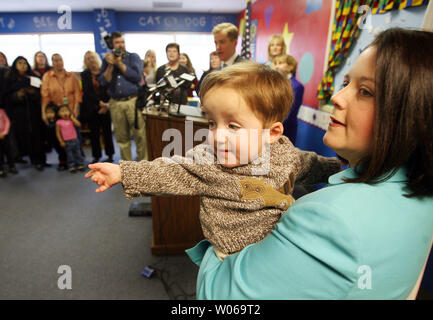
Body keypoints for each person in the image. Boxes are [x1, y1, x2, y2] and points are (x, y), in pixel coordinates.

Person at [179, 28, 432, 299]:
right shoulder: (422, 196)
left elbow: (220, 296)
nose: (337, 97)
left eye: (365, 91)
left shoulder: (327, 220)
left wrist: (217, 246)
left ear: (412, 111)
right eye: (346, 83)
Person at [85, 61, 341, 261]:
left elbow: (307, 164)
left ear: (272, 133)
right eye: (211, 123)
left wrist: (340, 168)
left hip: (277, 244)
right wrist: (123, 172)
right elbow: (171, 171)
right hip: (231, 255)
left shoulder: (284, 152)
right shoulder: (209, 161)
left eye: (232, 125)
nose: (217, 136)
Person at [99, 31, 146, 162]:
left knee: (140, 136)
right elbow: (103, 81)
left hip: (132, 101)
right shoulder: (107, 60)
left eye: (122, 42)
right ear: (112, 45)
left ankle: (144, 168)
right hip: (115, 103)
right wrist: (110, 64)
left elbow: (136, 77)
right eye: (117, 42)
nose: (120, 45)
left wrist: (119, 63)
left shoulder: (133, 57)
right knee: (122, 138)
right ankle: (127, 170)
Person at [4, 56, 45, 171]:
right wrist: (18, 95)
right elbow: (6, 97)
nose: (23, 65)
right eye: (20, 63)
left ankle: (39, 160)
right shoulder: (10, 79)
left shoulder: (34, 77)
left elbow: (40, 94)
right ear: (15, 65)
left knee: (37, 135)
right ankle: (26, 157)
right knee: (22, 136)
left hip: (34, 112)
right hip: (19, 113)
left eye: (25, 63)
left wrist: (32, 93)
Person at [81, 51, 115, 164]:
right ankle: (96, 156)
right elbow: (87, 92)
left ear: (96, 58)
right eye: (88, 59)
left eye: (92, 58)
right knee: (94, 134)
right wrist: (99, 103)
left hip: (106, 107)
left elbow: (109, 89)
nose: (91, 60)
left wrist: (105, 105)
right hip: (92, 108)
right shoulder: (85, 74)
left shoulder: (104, 71)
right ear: (86, 61)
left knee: (107, 132)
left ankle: (110, 155)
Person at [272, 54, 304, 145]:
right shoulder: (277, 83)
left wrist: (272, 125)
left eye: (281, 63)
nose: (277, 66)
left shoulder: (297, 86)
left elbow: (290, 112)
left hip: (286, 128)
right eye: (276, 63)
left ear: (291, 67)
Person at [41, 53, 82, 123]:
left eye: (60, 60)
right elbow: (45, 97)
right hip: (56, 112)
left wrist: (76, 110)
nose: (59, 62)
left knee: (74, 132)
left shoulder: (72, 76)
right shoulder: (47, 76)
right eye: (56, 61)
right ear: (52, 63)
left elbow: (77, 95)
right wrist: (43, 113)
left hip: (72, 111)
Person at [56, 105, 85, 173]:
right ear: (58, 113)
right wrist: (61, 141)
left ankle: (80, 164)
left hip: (75, 139)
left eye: (66, 110)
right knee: (70, 155)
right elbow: (58, 132)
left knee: (78, 153)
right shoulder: (59, 122)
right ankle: (71, 166)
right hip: (67, 141)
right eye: (62, 111)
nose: (65, 113)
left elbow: (79, 125)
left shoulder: (71, 120)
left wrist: (72, 118)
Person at [45, 104, 67, 171]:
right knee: (58, 151)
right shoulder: (46, 122)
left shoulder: (57, 121)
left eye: (51, 112)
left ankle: (63, 164)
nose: (49, 114)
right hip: (52, 140)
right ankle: (62, 162)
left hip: (59, 139)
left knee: (62, 152)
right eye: (48, 113)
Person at [0, 107, 17, 177]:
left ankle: (11, 166)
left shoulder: (2, 111)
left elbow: (7, 121)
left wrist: (4, 132)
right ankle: (1, 169)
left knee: (8, 151)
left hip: (4, 135)